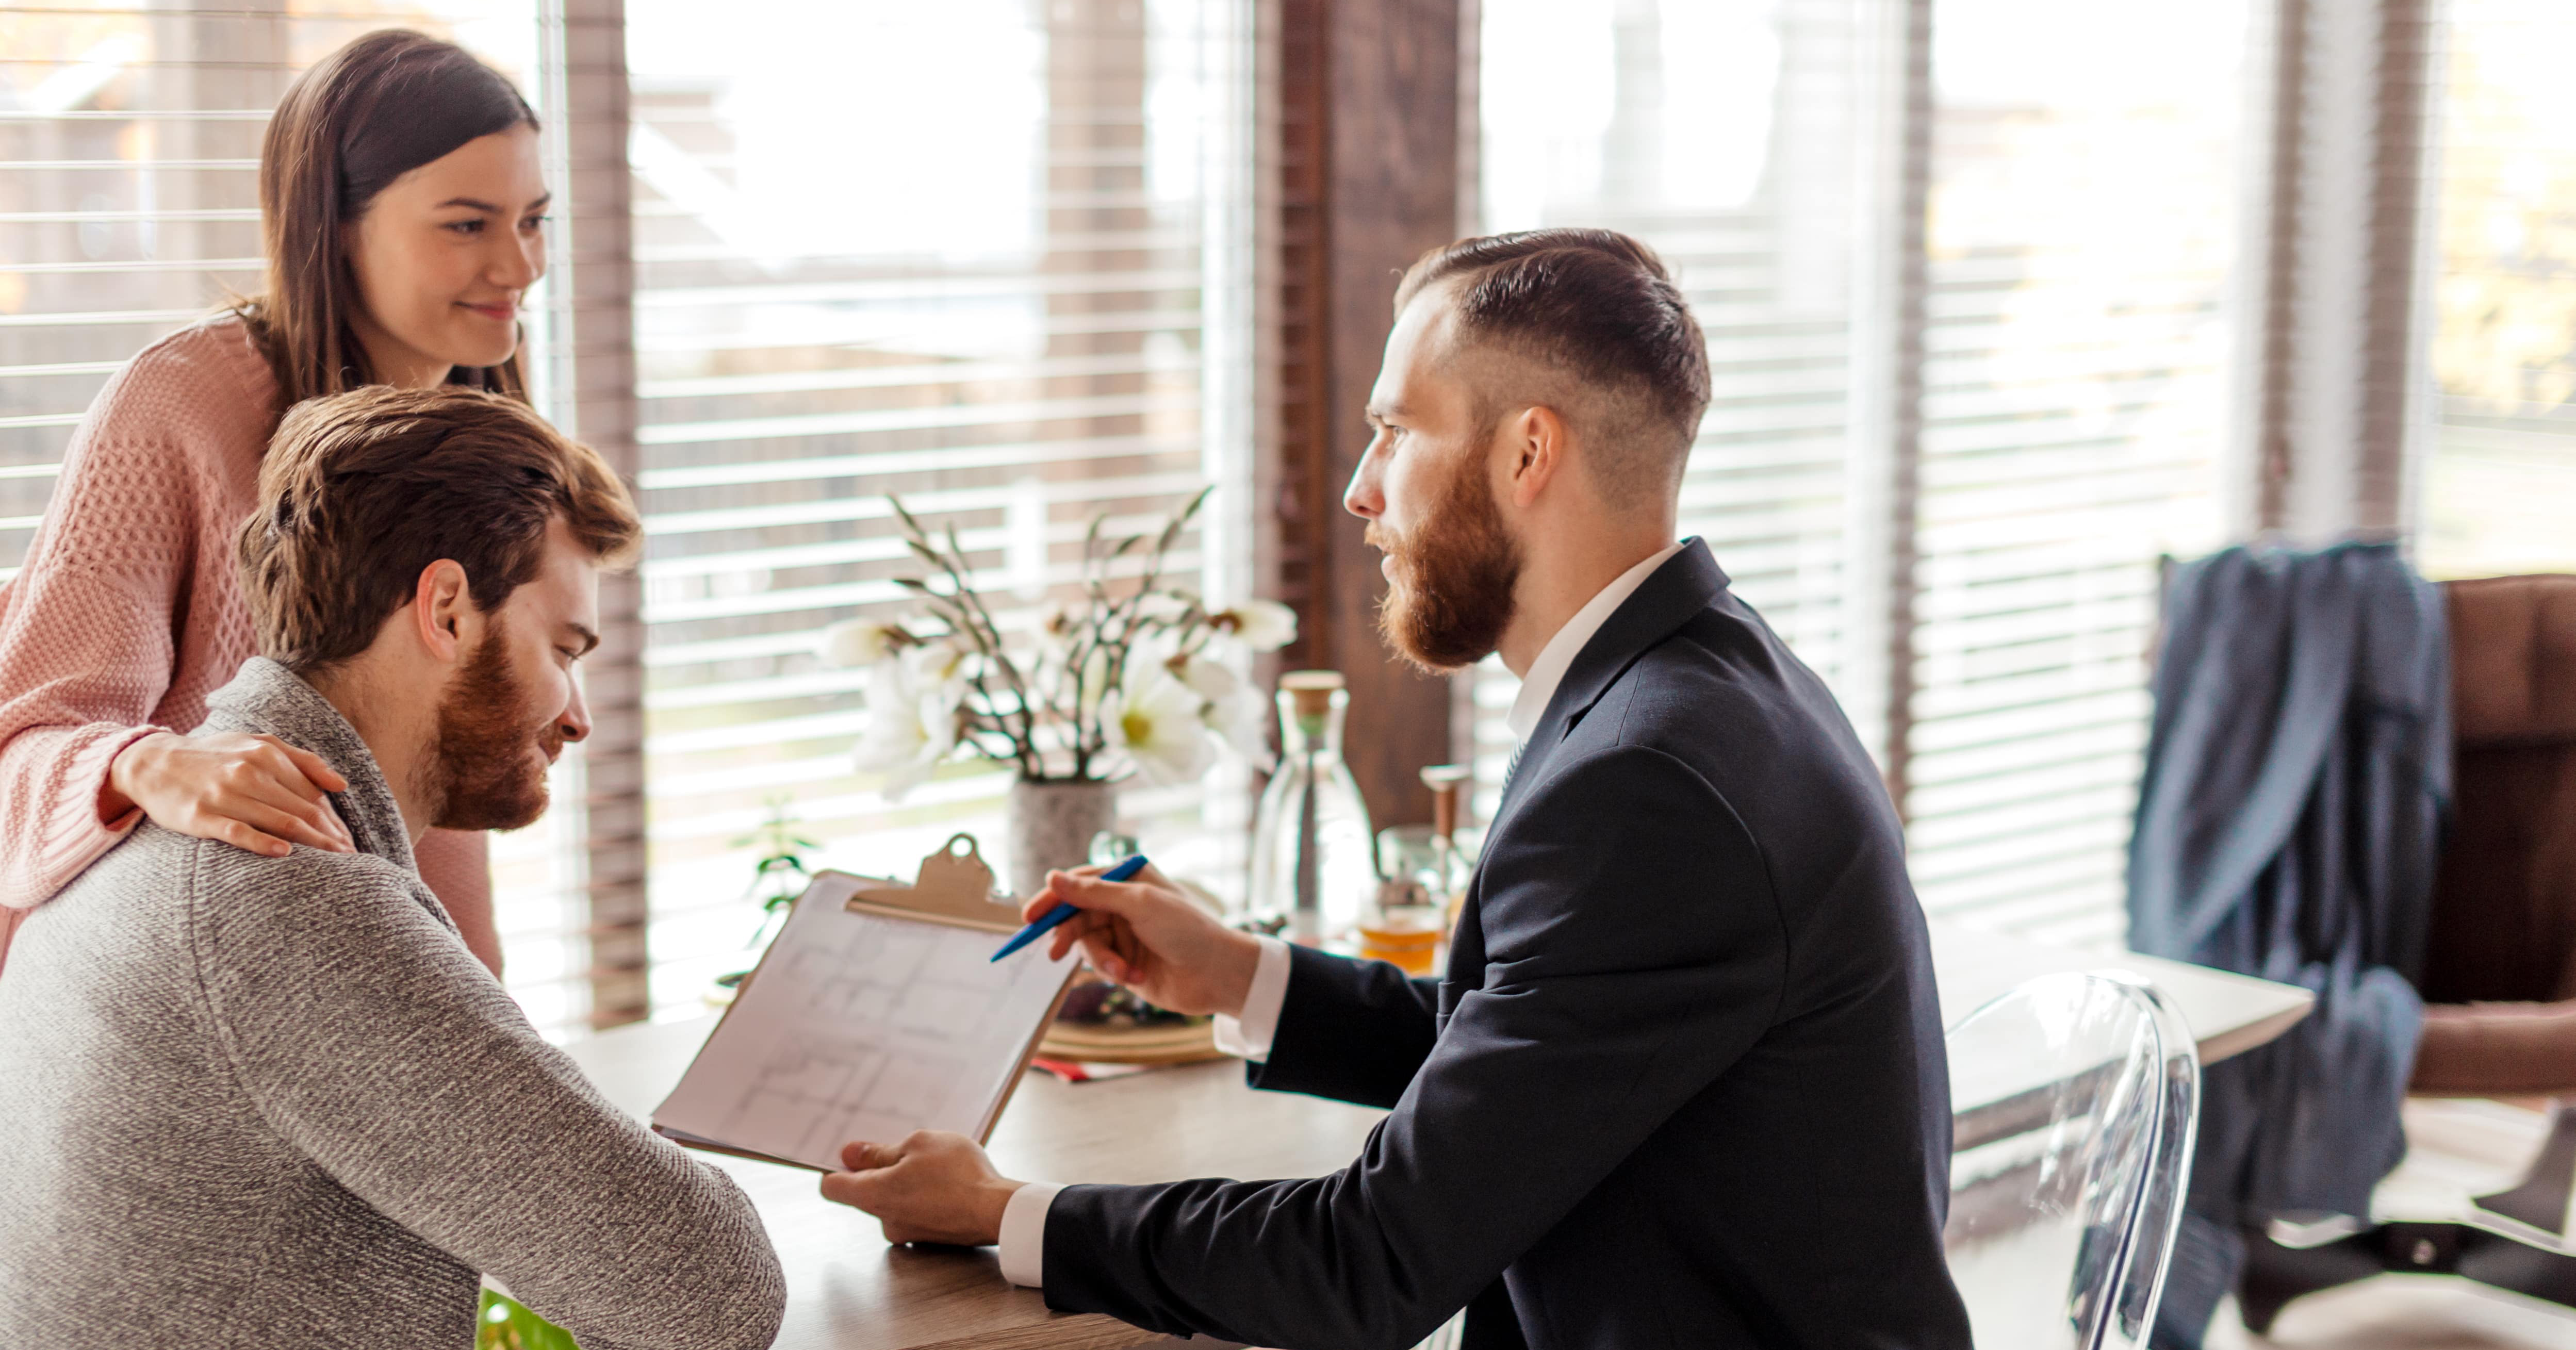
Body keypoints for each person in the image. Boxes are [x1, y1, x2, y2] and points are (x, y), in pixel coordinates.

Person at [819, 229, 1976, 1349]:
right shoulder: (1711, 678)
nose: (1360, 493)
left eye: (1392, 430)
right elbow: (1531, 1056)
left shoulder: (1645, 783)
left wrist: (1003, 1212)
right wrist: (1238, 974)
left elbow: (1366, 1265)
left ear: (1528, 452)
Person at [0, 386, 785, 1349]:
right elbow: (712, 1293)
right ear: (447, 609)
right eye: (563, 649)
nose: (578, 713)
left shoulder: (144, 830)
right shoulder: (289, 895)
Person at [0, 28, 554, 977]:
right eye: (468, 225)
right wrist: (154, 765)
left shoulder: (483, 425)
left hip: (363, 975)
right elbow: (22, 747)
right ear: (335, 223)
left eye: (534, 220)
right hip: (163, 993)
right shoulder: (178, 403)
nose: (520, 267)